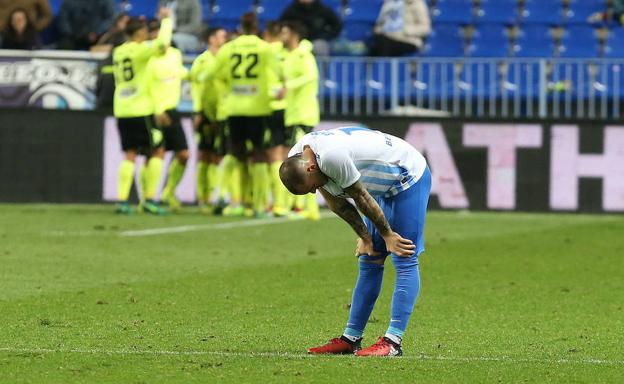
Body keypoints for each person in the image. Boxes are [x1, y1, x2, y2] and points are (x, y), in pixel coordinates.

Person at [280, 126, 431, 357]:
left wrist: (388, 234)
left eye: (311, 188)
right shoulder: (299, 155)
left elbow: (360, 197)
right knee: (370, 257)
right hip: (379, 186)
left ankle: (393, 342)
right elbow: (337, 203)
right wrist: (365, 237)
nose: (314, 193)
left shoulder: (331, 157)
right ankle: (350, 339)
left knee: (404, 255)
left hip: (406, 175)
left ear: (311, 168)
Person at [215, 12, 278, 217]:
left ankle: (229, 198)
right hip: (258, 108)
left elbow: (214, 74)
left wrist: (228, 90)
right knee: (260, 155)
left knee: (236, 153)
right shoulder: (264, 48)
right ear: (256, 27)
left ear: (240, 27)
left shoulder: (228, 48)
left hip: (234, 108)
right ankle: (259, 206)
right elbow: (279, 73)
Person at [112, 9, 172, 214]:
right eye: (145, 31)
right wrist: (166, 21)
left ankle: (121, 200)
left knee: (129, 154)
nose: (147, 34)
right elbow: (163, 45)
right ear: (138, 34)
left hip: (122, 109)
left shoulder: (118, 52)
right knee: (157, 151)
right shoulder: (140, 51)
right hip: (141, 109)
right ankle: (149, 199)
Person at [145, 19, 190, 211]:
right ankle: (146, 198)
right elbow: (145, 86)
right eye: (152, 32)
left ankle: (168, 191)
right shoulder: (148, 57)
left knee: (184, 155)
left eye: (158, 32)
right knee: (155, 154)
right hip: (156, 110)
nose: (156, 36)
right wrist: (156, 110)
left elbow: (179, 74)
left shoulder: (175, 54)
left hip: (172, 109)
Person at [279, 21, 320, 220]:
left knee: (305, 161)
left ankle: (308, 208)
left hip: (302, 113)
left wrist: (289, 86)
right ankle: (300, 206)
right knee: (299, 160)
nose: (281, 36)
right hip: (293, 113)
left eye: (285, 32)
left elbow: (311, 75)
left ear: (294, 34)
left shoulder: (303, 54)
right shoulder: (290, 55)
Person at [190, 26, 228, 213]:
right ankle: (202, 197)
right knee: (204, 154)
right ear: (211, 39)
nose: (224, 38)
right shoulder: (201, 61)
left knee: (218, 155)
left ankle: (215, 196)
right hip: (205, 113)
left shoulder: (226, 59)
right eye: (221, 36)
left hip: (222, 113)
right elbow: (196, 88)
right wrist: (198, 112)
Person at [262, 21, 291, 217]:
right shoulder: (288, 52)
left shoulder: (263, 51)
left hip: (267, 107)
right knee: (287, 155)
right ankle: (286, 204)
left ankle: (274, 203)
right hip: (286, 108)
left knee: (271, 157)